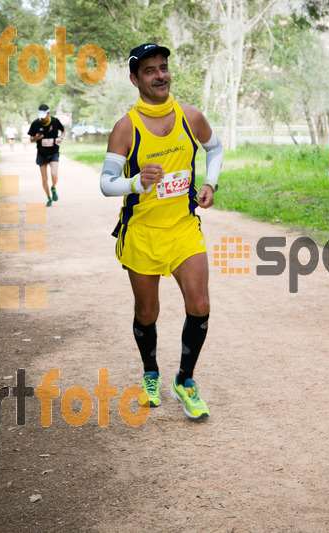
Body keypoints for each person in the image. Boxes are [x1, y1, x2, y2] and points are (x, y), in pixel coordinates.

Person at [99, 43, 223, 419]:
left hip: (183, 227)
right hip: (142, 232)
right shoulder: (126, 127)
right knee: (148, 311)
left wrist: (210, 183)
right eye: (150, 70)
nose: (160, 75)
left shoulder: (190, 117)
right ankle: (150, 371)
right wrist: (135, 183)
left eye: (163, 67)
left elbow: (214, 150)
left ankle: (184, 380)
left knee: (200, 304)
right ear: (135, 79)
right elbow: (106, 183)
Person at [29, 104, 64, 207]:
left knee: (54, 174)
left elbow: (63, 130)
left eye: (44, 117)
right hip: (42, 153)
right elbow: (31, 139)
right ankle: (48, 198)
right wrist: (36, 138)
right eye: (41, 117)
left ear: (49, 114)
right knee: (44, 179)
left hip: (53, 152)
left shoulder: (55, 121)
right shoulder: (35, 123)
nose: (42, 119)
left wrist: (61, 137)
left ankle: (53, 187)